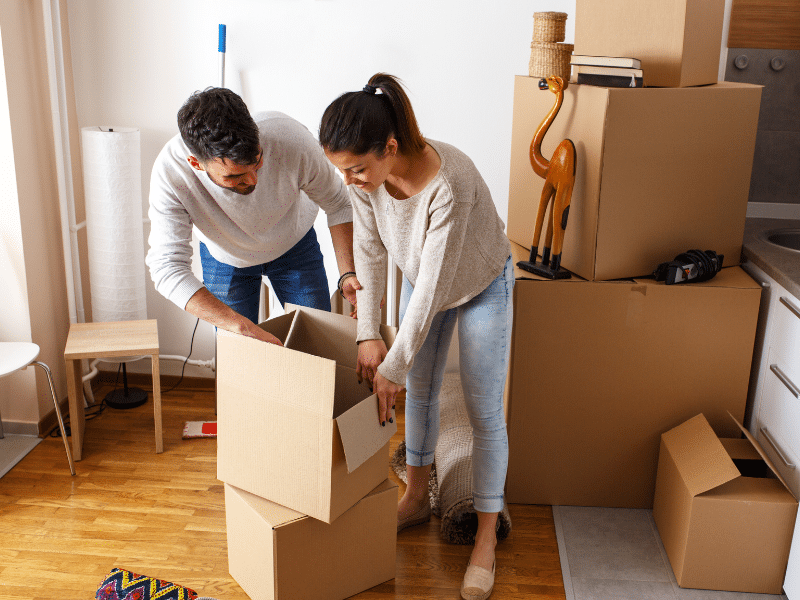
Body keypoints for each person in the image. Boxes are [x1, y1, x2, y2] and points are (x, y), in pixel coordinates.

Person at [319, 73, 513, 600]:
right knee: (420, 392)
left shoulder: (450, 185)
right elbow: (373, 252)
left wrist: (391, 365)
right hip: (426, 280)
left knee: (483, 409)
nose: (351, 180)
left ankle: (486, 536)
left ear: (390, 147)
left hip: (478, 284)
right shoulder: (362, 179)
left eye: (357, 168)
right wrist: (367, 334)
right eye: (343, 171)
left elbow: (430, 290)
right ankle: (415, 496)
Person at [147, 87, 360, 345]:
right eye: (234, 176)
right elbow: (167, 268)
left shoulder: (291, 140)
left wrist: (348, 273)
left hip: (294, 245)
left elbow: (338, 203)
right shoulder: (171, 174)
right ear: (196, 164)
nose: (252, 180)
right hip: (225, 257)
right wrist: (242, 327)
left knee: (317, 346)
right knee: (239, 355)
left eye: (257, 162)